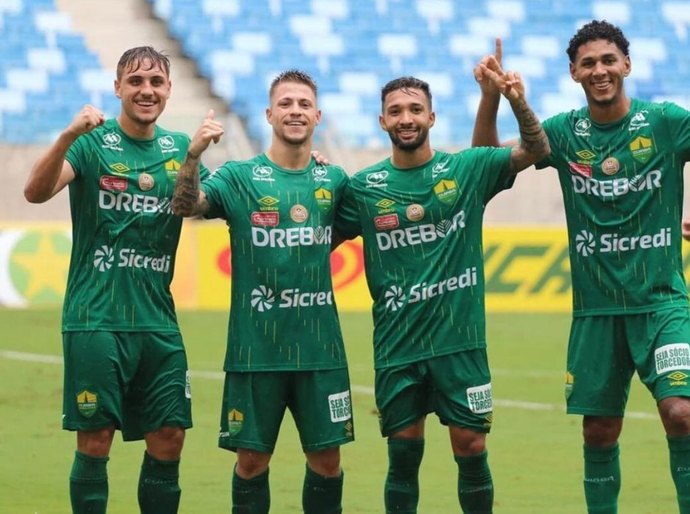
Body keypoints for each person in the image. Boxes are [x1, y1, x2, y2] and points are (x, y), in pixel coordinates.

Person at [473, 20, 690, 514]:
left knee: (681, 413)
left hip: (662, 304)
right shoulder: (563, 132)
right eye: (588, 63)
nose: (600, 70)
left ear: (627, 65)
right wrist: (491, 97)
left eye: (608, 60)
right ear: (573, 73)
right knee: (599, 430)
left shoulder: (665, 122)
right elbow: (485, 166)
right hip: (596, 312)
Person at [333, 73, 549, 513]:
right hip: (398, 347)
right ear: (381, 121)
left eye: (414, 109)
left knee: (470, 447)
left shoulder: (465, 169)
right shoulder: (362, 189)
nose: (406, 118)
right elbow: (318, 236)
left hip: (460, 343)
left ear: (431, 116)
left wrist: (513, 99)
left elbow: (537, 149)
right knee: (403, 457)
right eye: (396, 111)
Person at [23, 46, 208, 514]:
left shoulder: (178, 150)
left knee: (170, 436)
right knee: (96, 438)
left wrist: (196, 156)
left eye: (156, 82)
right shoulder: (91, 143)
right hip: (96, 317)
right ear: (118, 88)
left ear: (168, 89)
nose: (146, 90)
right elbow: (35, 192)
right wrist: (67, 135)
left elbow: (200, 208)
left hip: (157, 323)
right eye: (136, 81)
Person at [171, 69, 353, 514]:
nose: (295, 111)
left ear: (318, 116)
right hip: (256, 352)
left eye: (304, 104)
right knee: (251, 463)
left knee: (328, 462)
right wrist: (193, 156)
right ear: (270, 114)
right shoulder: (239, 177)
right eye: (286, 104)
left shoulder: (336, 181)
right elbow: (186, 206)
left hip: (320, 351)